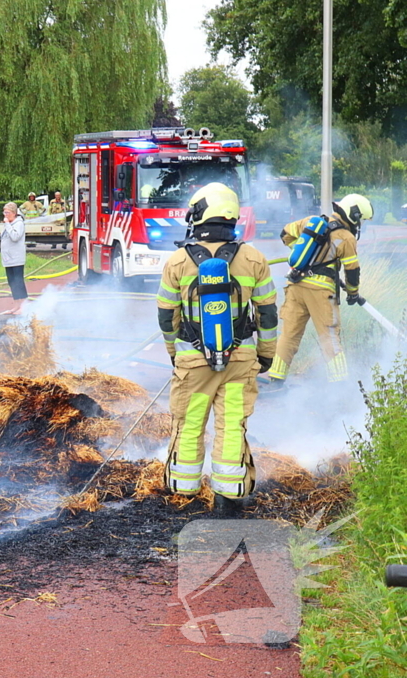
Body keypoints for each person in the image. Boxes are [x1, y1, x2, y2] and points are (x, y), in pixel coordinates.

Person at [156, 183, 278, 514]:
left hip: (193, 363)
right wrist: (266, 354)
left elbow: (167, 317)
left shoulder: (178, 261)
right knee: (231, 424)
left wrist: (175, 352)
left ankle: (184, 494)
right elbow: (267, 314)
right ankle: (229, 498)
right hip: (240, 360)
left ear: (199, 216)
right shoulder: (254, 259)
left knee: (191, 421)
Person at [268, 194, 372, 385]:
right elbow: (352, 271)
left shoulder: (310, 222)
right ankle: (339, 385)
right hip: (321, 293)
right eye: (361, 220)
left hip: (295, 286)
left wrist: (303, 255)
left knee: (289, 335)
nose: (360, 225)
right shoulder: (346, 238)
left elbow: (285, 233)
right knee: (329, 337)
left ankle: (276, 380)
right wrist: (352, 293)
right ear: (354, 216)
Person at [0, 202, 28, 315]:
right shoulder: (9, 223)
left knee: (18, 281)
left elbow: (15, 237)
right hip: (8, 259)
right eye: (4, 212)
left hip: (16, 258)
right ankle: (16, 304)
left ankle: (24, 305)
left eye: (7, 212)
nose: (5, 215)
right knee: (12, 282)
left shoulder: (18, 223)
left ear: (14, 213)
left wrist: (7, 224)